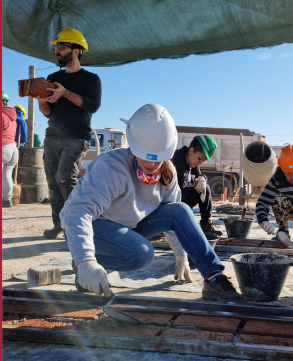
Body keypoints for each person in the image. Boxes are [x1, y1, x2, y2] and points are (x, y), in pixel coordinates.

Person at [60, 103, 245, 302]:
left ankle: (213, 276)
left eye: (157, 159)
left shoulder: (169, 172)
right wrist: (85, 261)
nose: (150, 164)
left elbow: (175, 218)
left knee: (180, 209)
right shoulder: (111, 167)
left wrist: (180, 254)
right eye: (145, 156)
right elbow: (76, 212)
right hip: (96, 229)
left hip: (129, 227)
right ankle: (85, 265)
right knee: (141, 253)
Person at [35, 27, 101, 238]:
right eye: (56, 46)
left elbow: (92, 105)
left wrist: (65, 93)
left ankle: (79, 224)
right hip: (52, 137)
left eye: (61, 46)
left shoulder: (91, 79)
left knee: (65, 178)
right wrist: (41, 101)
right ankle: (59, 224)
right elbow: (47, 113)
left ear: (76, 50)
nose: (57, 50)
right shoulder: (53, 77)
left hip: (76, 138)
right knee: (53, 182)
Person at [171, 135, 222, 236]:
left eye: (202, 161)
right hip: (172, 204)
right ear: (191, 150)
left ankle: (206, 224)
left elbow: (200, 175)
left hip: (184, 202)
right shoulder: (174, 161)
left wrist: (202, 179)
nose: (199, 163)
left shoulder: (193, 163)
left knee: (206, 188)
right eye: (199, 158)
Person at [2, 91, 19, 208]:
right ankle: (7, 200)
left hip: (3, 147)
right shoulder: (13, 117)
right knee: (7, 175)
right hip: (13, 149)